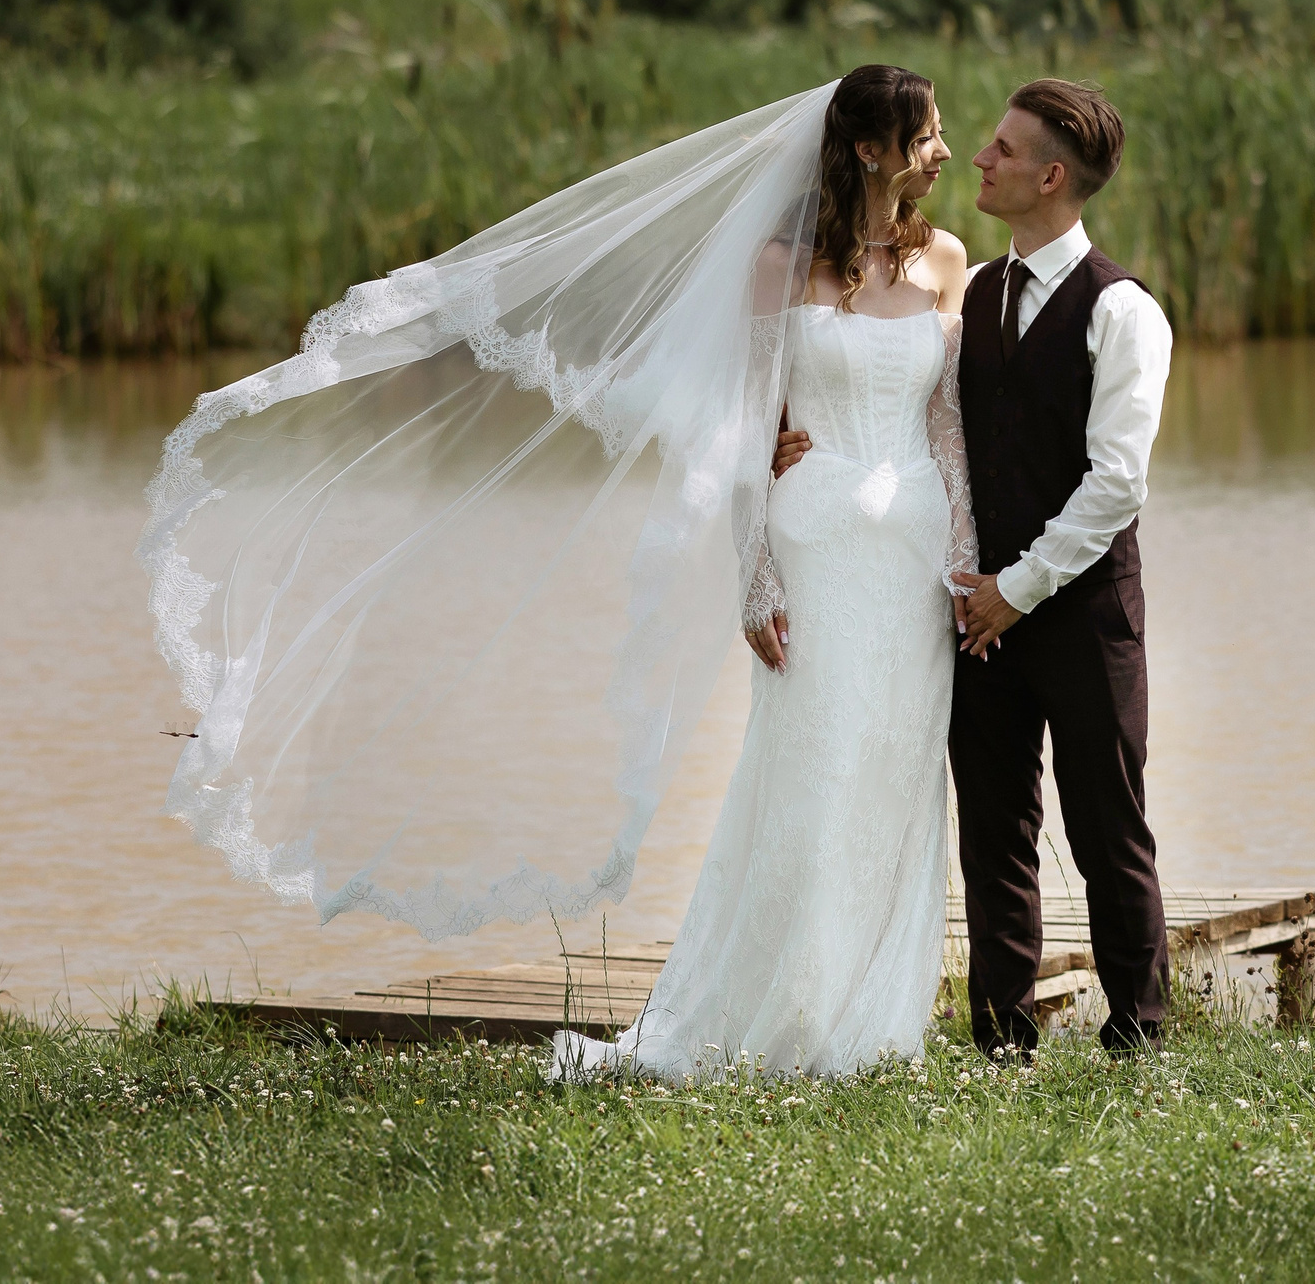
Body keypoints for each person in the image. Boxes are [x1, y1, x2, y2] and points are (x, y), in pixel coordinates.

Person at [139, 67, 985, 1080]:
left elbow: (947, 425)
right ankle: (779, 1019)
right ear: (867, 149)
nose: (943, 150)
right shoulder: (778, 266)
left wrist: (966, 560)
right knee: (816, 773)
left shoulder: (945, 259)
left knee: (894, 771)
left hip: (911, 557)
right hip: (815, 546)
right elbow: (742, 429)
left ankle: (873, 1027)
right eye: (927, 133)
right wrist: (751, 578)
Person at [775, 79, 1174, 1060]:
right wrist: (792, 442)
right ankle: (1003, 1039)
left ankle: (1139, 1035)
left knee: (1106, 827)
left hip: (1076, 613)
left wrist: (1015, 588)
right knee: (993, 835)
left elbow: (1117, 483)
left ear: (1049, 176)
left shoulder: (1122, 313)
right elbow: (923, 415)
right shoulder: (977, 287)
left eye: (999, 150)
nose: (976, 161)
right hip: (973, 611)